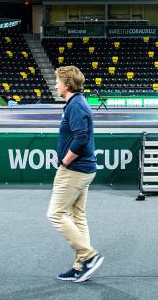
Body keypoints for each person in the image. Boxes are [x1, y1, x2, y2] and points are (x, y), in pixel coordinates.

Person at [47, 65, 104, 283]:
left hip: (75, 170)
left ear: (68, 84)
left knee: (55, 214)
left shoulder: (76, 106)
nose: (56, 85)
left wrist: (64, 161)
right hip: (82, 169)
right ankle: (81, 266)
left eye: (58, 81)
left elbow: (81, 138)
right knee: (78, 216)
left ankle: (89, 256)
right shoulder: (75, 103)